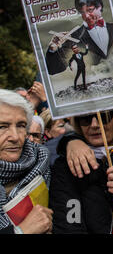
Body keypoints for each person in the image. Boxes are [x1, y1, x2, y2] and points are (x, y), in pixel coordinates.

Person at [0, 89, 53, 234]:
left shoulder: (44, 162)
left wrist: (72, 140)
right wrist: (21, 231)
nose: (15, 137)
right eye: (3, 127)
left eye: (21, 125)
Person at [45, 0, 113, 75]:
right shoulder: (73, 37)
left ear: (100, 7)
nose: (86, 16)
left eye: (90, 10)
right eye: (82, 12)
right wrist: (52, 50)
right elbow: (53, 70)